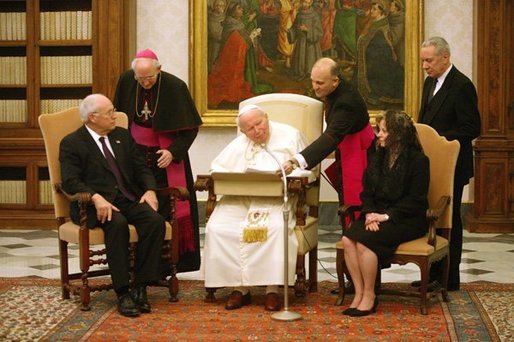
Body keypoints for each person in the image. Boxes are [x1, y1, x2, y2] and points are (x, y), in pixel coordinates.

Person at [59, 94, 166, 317]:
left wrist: (149, 190)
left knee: (155, 221)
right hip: (92, 205)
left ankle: (140, 286)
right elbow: (70, 181)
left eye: (113, 110)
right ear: (92, 117)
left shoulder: (122, 136)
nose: (115, 115)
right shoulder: (71, 143)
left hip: (127, 198)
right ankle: (123, 292)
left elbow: (141, 168)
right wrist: (95, 197)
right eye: (109, 112)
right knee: (117, 224)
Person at [202, 104, 315, 311]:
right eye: (250, 129)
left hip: (276, 199)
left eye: (259, 123)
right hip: (240, 198)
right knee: (218, 227)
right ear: (243, 132)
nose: (257, 131)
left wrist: (290, 176)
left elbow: (308, 170)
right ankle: (240, 289)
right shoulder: (240, 144)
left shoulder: (290, 136)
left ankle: (272, 290)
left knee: (274, 228)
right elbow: (217, 168)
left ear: (267, 118)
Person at [283, 57, 375, 293]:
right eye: (313, 81)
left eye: (320, 83)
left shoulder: (347, 102)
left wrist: (298, 160)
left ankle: (361, 281)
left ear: (335, 81)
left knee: (356, 213)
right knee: (347, 212)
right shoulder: (333, 91)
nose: (315, 87)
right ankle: (353, 278)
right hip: (348, 151)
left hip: (360, 156)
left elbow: (332, 136)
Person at [113, 49, 203, 274]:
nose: (144, 83)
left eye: (149, 78)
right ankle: (134, 264)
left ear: (159, 69)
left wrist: (172, 152)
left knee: (166, 209)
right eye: (140, 78)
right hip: (134, 159)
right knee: (135, 205)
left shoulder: (175, 86)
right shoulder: (127, 80)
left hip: (164, 160)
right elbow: (119, 119)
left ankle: (165, 266)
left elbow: (190, 129)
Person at [341, 110, 430, 317]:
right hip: (376, 214)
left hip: (406, 219)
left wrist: (385, 217)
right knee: (348, 239)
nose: (378, 135)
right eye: (378, 130)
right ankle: (359, 293)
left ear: (398, 135)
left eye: (383, 131)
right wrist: (371, 212)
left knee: (364, 241)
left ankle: (370, 296)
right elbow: (367, 190)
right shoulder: (378, 154)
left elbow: (416, 200)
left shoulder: (418, 161)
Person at [417, 36, 481, 291]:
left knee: (449, 218)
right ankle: (432, 273)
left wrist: (440, 142)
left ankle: (449, 278)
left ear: (445, 57)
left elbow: (472, 127)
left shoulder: (462, 85)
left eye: (429, 60)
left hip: (452, 165)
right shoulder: (428, 82)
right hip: (430, 164)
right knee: (433, 218)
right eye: (423, 60)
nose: (425, 65)